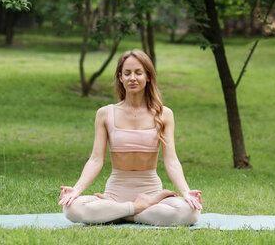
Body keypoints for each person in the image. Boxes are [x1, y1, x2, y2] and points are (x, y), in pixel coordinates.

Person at [59, 49, 202, 226]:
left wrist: (186, 192)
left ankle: (120, 214)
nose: (132, 78)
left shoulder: (164, 114)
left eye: (138, 73)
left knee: (191, 213)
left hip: (151, 193)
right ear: (120, 77)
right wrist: (76, 189)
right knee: (71, 208)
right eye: (127, 73)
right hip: (115, 194)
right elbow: (96, 159)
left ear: (148, 76)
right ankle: (137, 209)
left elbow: (171, 160)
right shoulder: (105, 114)